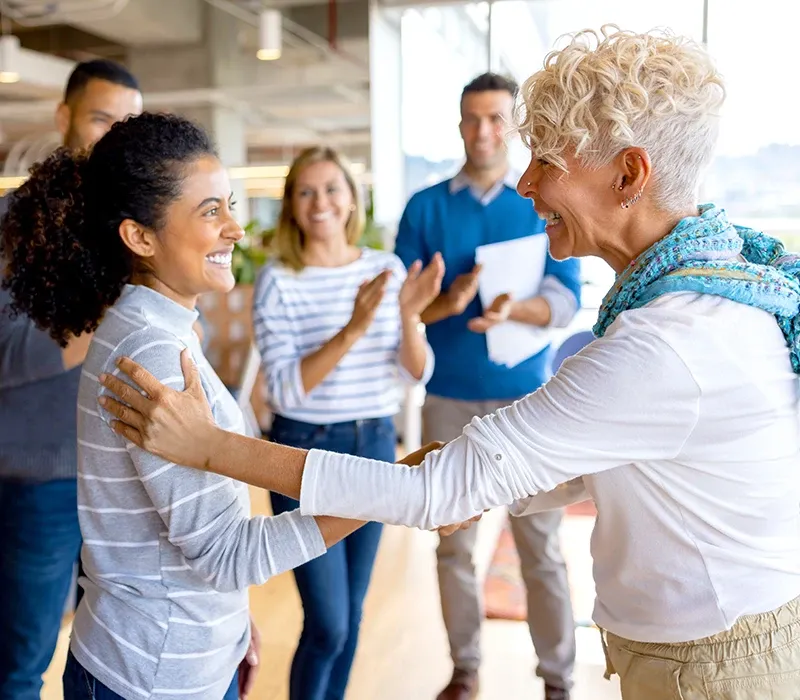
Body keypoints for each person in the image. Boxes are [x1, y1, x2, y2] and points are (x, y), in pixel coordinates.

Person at [94, 26, 800, 700]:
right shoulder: (699, 290)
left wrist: (215, 448)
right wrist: (448, 479)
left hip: (711, 667)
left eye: (548, 160)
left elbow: (443, 490)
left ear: (629, 174)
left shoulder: (667, 339)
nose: (527, 184)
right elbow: (596, 462)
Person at [0, 112, 402, 700]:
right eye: (210, 211)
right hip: (151, 676)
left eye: (230, 204)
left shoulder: (163, 327)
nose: (235, 229)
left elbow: (189, 529)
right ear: (141, 237)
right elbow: (226, 554)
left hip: (182, 656)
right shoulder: (150, 353)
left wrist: (232, 623)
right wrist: (390, 492)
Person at [395, 72, 580, 700]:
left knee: (541, 548)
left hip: (531, 400)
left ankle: (558, 680)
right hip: (448, 399)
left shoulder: (540, 198)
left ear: (514, 124)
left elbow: (565, 300)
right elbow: (406, 309)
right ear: (459, 125)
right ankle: (465, 670)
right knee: (452, 546)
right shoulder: (425, 208)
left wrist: (511, 309)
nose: (484, 131)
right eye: (473, 119)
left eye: (497, 118)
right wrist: (451, 301)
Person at [252, 145, 441, 700]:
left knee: (352, 616)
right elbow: (283, 390)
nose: (321, 202)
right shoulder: (278, 279)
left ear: (352, 199)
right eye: (306, 191)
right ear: (291, 205)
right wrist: (353, 328)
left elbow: (415, 373)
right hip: (303, 453)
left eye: (332, 188)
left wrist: (407, 315)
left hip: (375, 443)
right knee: (328, 621)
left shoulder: (384, 269)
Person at [0, 58, 142, 700]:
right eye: (101, 118)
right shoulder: (12, 225)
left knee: (120, 661)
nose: (116, 137)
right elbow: (5, 352)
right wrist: (111, 316)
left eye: (130, 124)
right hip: (43, 479)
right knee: (21, 663)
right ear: (64, 118)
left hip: (134, 478)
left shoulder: (140, 228)